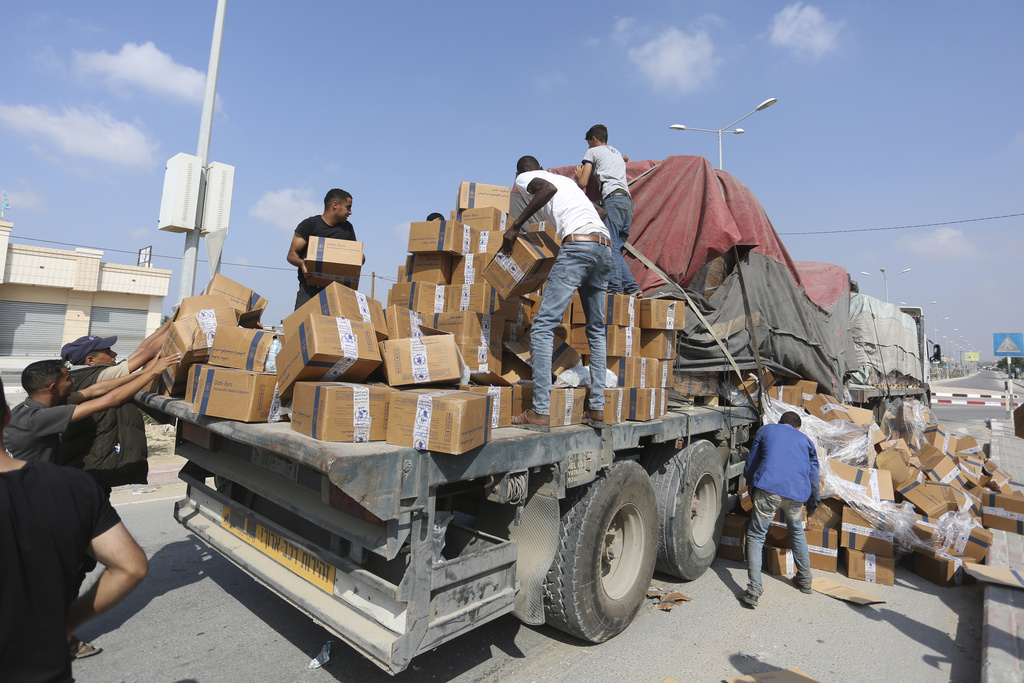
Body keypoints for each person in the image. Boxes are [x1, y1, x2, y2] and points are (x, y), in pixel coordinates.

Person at [0, 377, 149, 678]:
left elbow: (98, 391)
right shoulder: (75, 486)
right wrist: (65, 624)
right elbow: (131, 567)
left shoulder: (43, 410)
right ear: (6, 415)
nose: (70, 381)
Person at [502, 155, 612, 430]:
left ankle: (539, 411)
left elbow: (545, 190)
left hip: (578, 247)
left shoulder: (525, 178)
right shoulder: (566, 182)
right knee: (596, 331)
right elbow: (601, 212)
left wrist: (515, 227)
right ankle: (597, 409)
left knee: (541, 327)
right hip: (603, 246)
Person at [4, 355, 179, 467]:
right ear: (53, 388)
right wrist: (152, 373)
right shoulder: (41, 417)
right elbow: (112, 399)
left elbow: (94, 390)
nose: (73, 381)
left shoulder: (30, 405)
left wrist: (143, 372)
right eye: (68, 379)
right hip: (29, 489)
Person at [60, 323, 173, 487]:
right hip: (95, 462)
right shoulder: (102, 374)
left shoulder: (82, 374)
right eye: (108, 352)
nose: (115, 354)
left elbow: (142, 349)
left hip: (87, 462)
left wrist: (172, 321)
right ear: (90, 360)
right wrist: (189, 321)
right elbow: (150, 351)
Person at [739, 411, 820, 607]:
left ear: (779, 422)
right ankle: (805, 579)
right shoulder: (807, 441)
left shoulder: (767, 430)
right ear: (798, 428)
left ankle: (754, 589)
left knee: (757, 535)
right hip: (796, 494)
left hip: (768, 488)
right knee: (797, 532)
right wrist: (812, 505)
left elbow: (752, 461)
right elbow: (814, 477)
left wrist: (750, 483)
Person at [574, 124, 641, 296]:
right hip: (627, 202)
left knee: (610, 246)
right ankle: (633, 288)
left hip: (613, 199)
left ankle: (615, 289)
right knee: (616, 246)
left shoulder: (592, 152)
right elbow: (628, 160)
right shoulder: (616, 152)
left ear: (594, 139)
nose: (588, 146)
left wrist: (578, 174)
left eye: (588, 142)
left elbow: (583, 183)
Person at [287, 188, 359, 309]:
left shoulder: (348, 228)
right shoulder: (310, 225)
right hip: (309, 292)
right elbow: (291, 254)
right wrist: (302, 264)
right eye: (348, 207)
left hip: (338, 293)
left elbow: (353, 257)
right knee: (303, 326)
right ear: (335, 205)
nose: (350, 212)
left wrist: (360, 258)